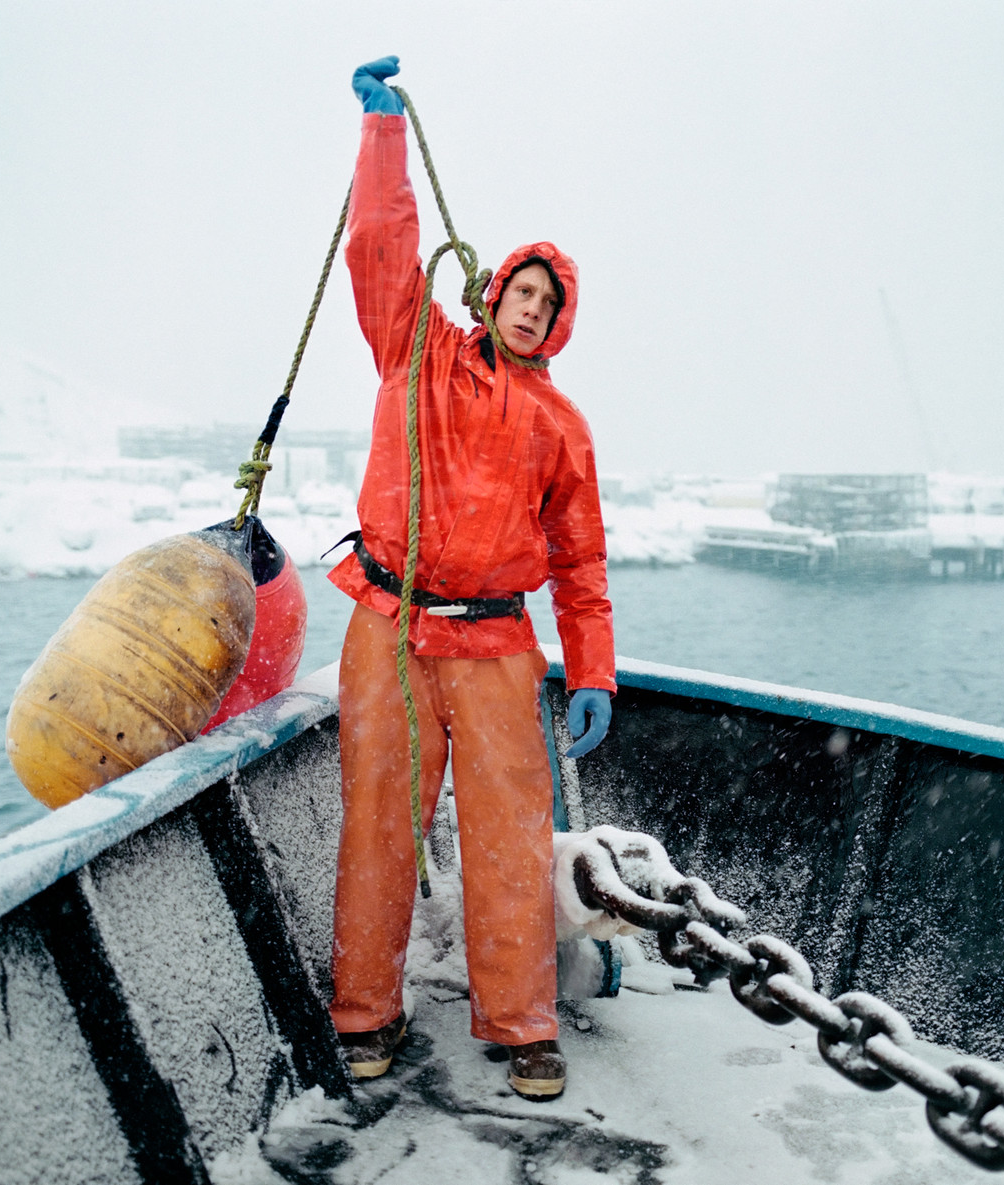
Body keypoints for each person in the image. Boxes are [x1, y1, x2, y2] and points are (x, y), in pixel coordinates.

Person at [325, 56, 616, 1102]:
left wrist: (594, 673)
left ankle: (522, 1025)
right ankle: (364, 1017)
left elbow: (581, 566)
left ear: (560, 323)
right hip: (390, 630)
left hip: (495, 645)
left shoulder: (561, 426)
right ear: (492, 292)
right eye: (522, 291)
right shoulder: (416, 348)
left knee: (506, 846)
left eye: (550, 303)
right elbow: (378, 246)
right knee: (377, 835)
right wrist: (384, 135)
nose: (532, 310)